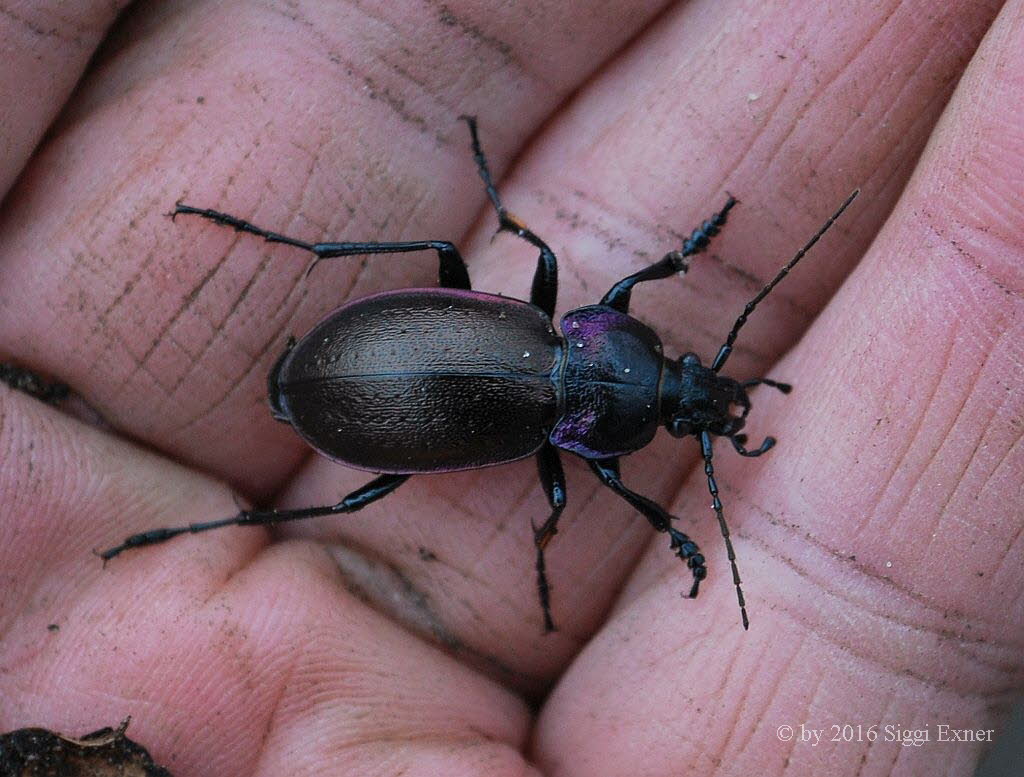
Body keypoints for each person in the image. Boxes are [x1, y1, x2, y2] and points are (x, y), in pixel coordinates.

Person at [0, 1, 1019, 775]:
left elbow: (585, 304)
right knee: (423, 350)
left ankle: (192, 518)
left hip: (360, 377)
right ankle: (207, 479)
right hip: (345, 376)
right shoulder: (572, 422)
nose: (689, 391)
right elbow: (590, 467)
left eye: (678, 393)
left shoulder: (581, 323)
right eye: (681, 388)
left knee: (439, 284)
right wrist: (664, 528)